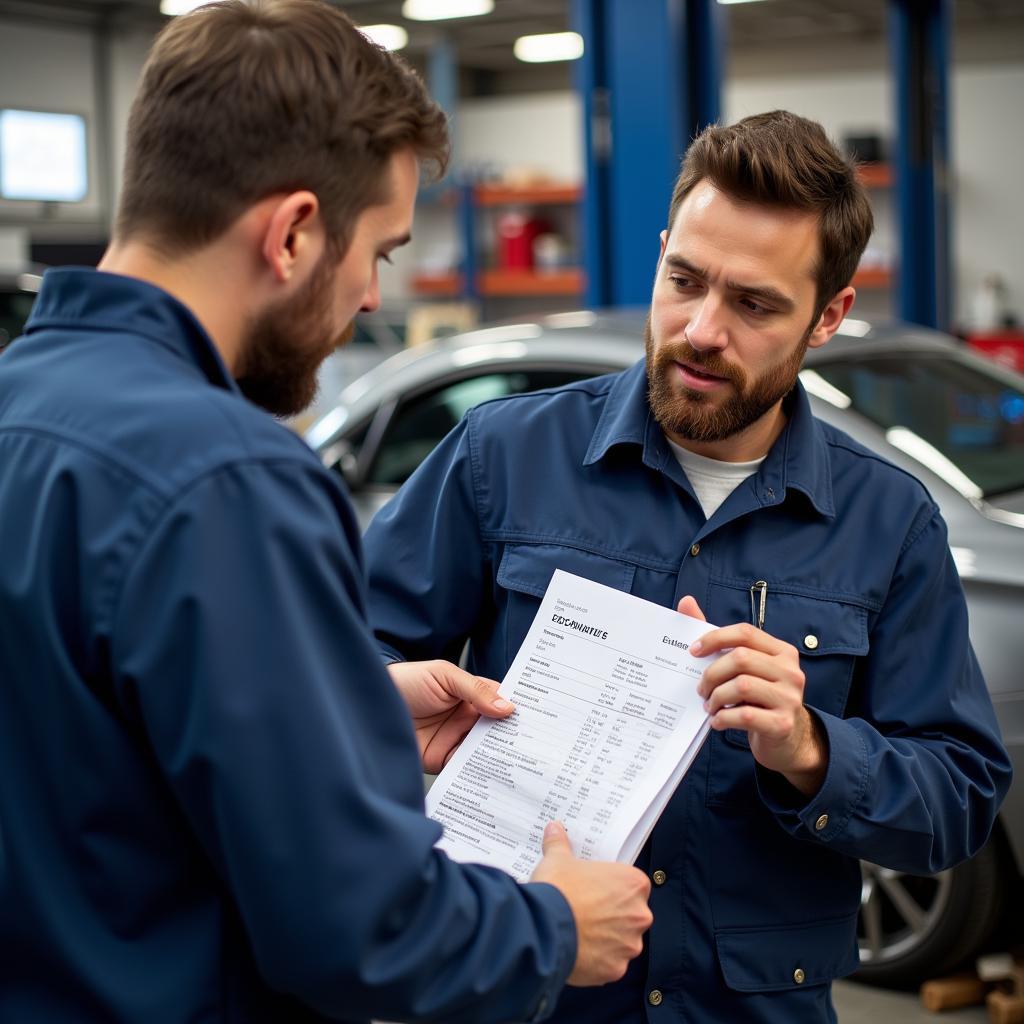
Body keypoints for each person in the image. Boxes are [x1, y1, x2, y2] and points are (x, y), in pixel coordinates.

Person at [0, 3, 654, 1021]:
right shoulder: (230, 476)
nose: (367, 299)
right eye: (381, 252)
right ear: (296, 232)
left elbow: (83, 739)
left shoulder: (19, 407)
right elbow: (356, 927)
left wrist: (342, 703)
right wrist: (555, 924)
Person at [362, 110, 1013, 1023]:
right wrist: (393, 706)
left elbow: (959, 800)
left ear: (828, 315)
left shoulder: (889, 522)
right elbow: (338, 668)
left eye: (754, 304)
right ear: (664, 250)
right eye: (685, 281)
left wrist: (812, 750)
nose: (701, 330)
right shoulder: (499, 458)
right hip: (528, 991)